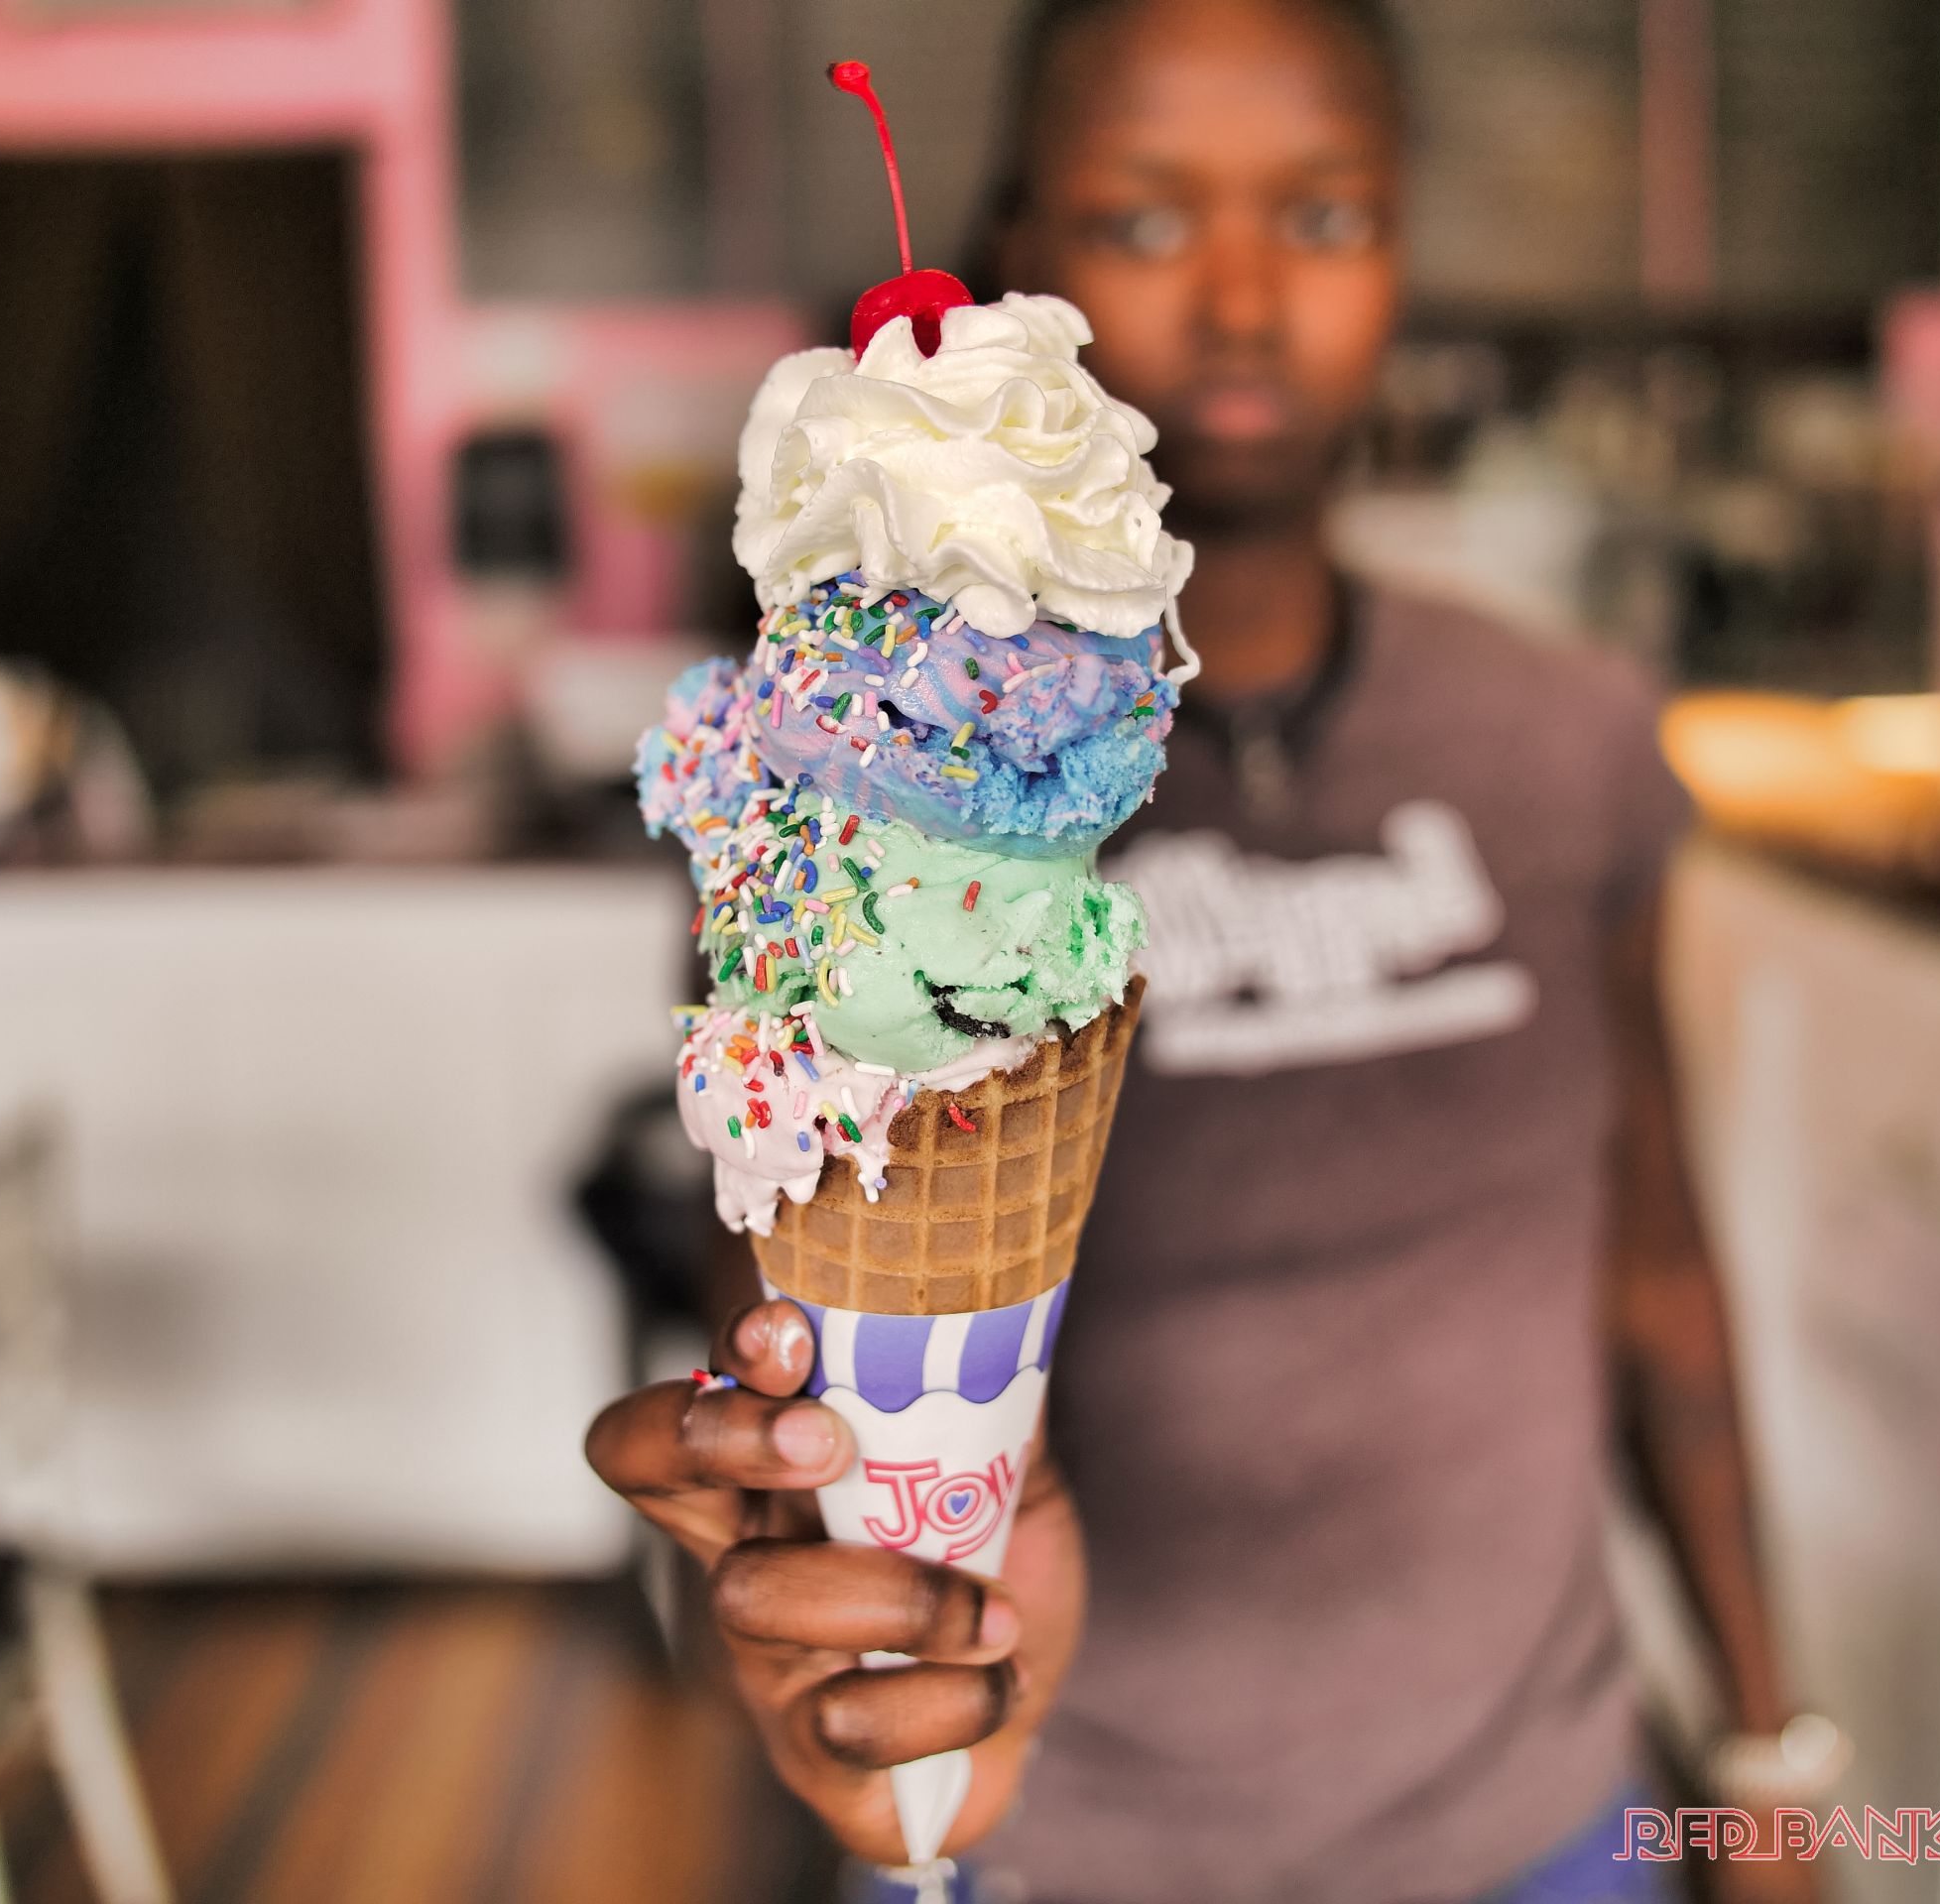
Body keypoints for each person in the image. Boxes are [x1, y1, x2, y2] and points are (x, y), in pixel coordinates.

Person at [588, 3, 1831, 1898]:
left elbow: (1658, 1274)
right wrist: (842, 1637)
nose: (1245, 303)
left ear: (1405, 244)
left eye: (1321, 217)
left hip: (1545, 1825)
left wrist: (1765, 1757)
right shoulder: (866, 797)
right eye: (1149, 221)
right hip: (1042, 1832)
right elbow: (770, 1316)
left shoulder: (1563, 739)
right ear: (1019, 260)